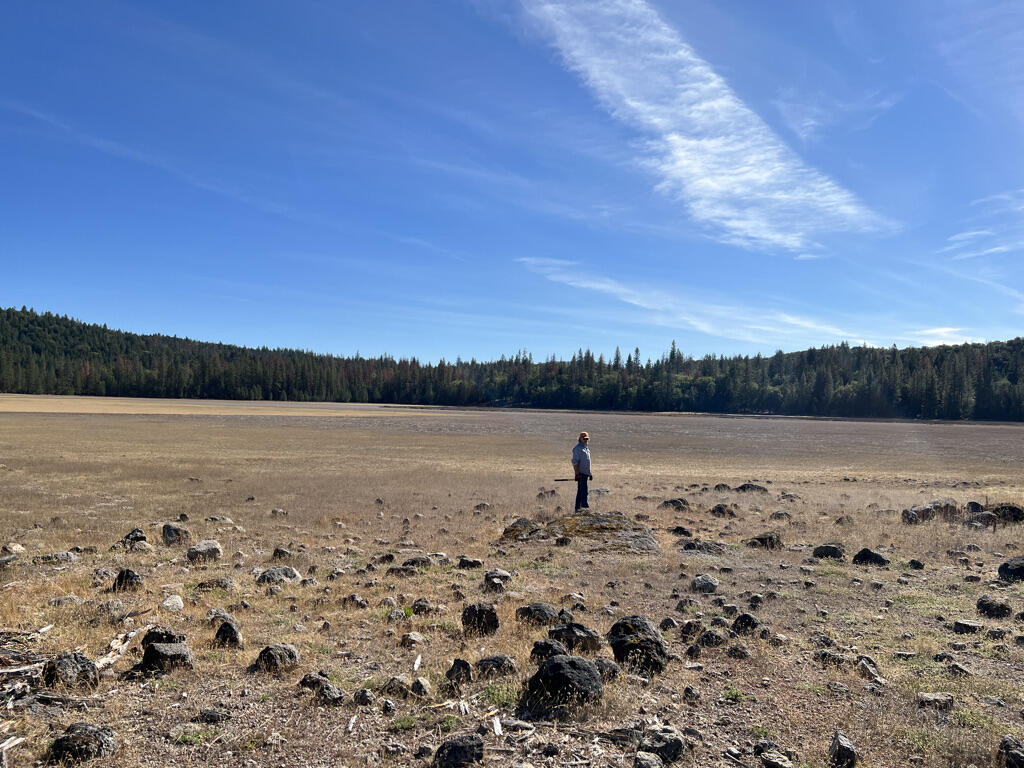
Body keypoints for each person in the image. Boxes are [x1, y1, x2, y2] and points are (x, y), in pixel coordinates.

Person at [571, 431, 592, 511]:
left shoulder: (586, 448)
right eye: (584, 438)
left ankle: (577, 509)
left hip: (586, 473)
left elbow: (587, 462)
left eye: (587, 438)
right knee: (584, 491)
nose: (586, 440)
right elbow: (575, 462)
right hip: (581, 473)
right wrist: (577, 474)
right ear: (580, 438)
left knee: (580, 491)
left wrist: (590, 473)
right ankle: (584, 508)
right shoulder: (577, 449)